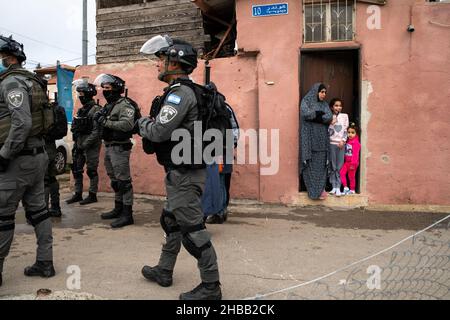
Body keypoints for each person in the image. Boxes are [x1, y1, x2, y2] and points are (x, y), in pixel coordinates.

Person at [138, 35, 222, 300]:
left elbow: (160, 131)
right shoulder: (182, 92)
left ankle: (211, 286)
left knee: (193, 231)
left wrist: (139, 123)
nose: (157, 65)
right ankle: (165, 269)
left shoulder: (180, 94)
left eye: (160, 59)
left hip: (185, 175)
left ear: (175, 62)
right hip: (181, 172)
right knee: (171, 221)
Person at [0, 35, 55, 286]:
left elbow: (22, 122)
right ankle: (45, 262)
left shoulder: (11, 82)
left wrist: (4, 154)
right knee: (39, 212)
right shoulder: (33, 80)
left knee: (3, 216)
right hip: (38, 156)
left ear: (9, 58)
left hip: (18, 160)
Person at [93, 74, 136, 228]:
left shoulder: (124, 105)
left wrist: (105, 121)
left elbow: (127, 125)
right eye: (103, 88)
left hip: (120, 147)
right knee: (115, 181)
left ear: (116, 88)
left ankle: (127, 214)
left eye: (107, 88)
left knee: (124, 182)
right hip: (109, 145)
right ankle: (118, 208)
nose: (104, 91)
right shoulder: (109, 105)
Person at [66, 79, 102, 206]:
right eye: (79, 95)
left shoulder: (96, 110)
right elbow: (75, 127)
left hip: (91, 145)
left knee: (91, 170)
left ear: (88, 94)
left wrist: (84, 145)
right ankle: (78, 194)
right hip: (79, 143)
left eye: (81, 95)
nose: (80, 97)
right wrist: (77, 144)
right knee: (76, 169)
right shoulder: (81, 110)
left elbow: (96, 132)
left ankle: (92, 194)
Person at [300, 83, 333, 200]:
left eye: (325, 92)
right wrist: (319, 115)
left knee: (321, 166)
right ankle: (312, 191)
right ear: (316, 91)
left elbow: (329, 117)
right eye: (321, 92)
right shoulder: (306, 101)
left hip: (322, 142)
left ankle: (320, 190)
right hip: (309, 141)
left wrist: (315, 117)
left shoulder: (324, 105)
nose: (323, 94)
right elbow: (305, 114)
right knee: (310, 166)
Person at [328, 98, 349, 197]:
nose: (338, 107)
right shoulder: (329, 116)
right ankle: (333, 186)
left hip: (341, 144)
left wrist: (343, 141)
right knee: (333, 165)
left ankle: (338, 187)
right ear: (332, 107)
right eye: (336, 105)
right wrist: (331, 121)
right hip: (331, 143)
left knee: (340, 166)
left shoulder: (345, 116)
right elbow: (327, 130)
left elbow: (345, 130)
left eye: (340, 105)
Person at [340, 122, 361, 195]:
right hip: (346, 163)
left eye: (352, 133)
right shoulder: (348, 141)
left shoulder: (356, 143)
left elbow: (355, 154)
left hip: (352, 163)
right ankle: (345, 187)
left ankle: (352, 189)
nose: (350, 134)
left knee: (351, 177)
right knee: (342, 173)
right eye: (348, 132)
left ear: (356, 134)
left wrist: (353, 164)